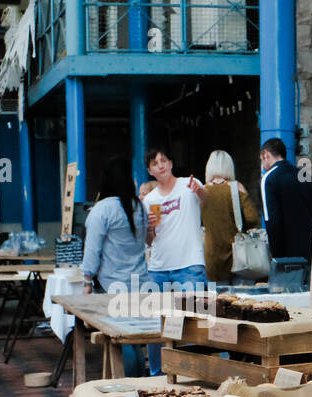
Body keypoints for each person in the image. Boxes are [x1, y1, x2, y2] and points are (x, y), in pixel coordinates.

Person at [139, 146, 209, 375]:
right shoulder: (149, 200)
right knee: (157, 323)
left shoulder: (188, 185)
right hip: (159, 267)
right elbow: (150, 241)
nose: (160, 165)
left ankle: (192, 374)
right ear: (150, 170)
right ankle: (158, 373)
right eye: (154, 163)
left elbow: (208, 200)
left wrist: (199, 190)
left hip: (189, 265)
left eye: (164, 160)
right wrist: (149, 228)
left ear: (170, 163)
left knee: (190, 322)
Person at [82, 156, 149, 377]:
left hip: (112, 285)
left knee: (121, 337)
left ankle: (131, 383)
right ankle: (139, 380)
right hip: (140, 281)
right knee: (136, 336)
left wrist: (87, 280)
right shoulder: (139, 206)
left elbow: (92, 250)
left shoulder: (101, 210)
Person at [259, 137, 312, 261]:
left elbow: (272, 221)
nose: (262, 165)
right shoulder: (305, 176)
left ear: (266, 154)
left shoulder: (269, 179)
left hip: (289, 255)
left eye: (261, 160)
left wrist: (276, 256)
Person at [200, 149, 260, 284]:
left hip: (212, 258)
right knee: (241, 300)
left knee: (217, 303)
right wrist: (244, 195)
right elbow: (252, 218)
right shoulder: (236, 188)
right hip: (238, 256)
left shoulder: (202, 191)